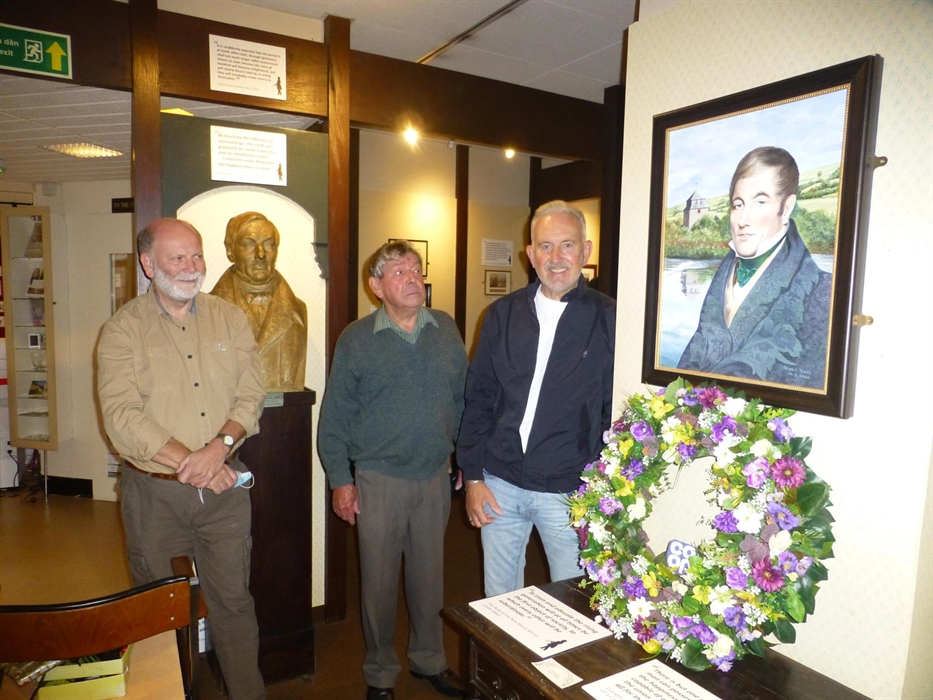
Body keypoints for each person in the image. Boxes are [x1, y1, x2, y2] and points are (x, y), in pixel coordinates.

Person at [97, 218, 266, 700]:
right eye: (178, 258)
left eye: (197, 256)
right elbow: (121, 417)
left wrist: (220, 449)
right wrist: (193, 463)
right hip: (153, 496)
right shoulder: (122, 330)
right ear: (149, 265)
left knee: (234, 604)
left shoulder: (229, 318)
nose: (192, 268)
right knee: (156, 611)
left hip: (223, 493)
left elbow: (252, 393)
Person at [318, 241, 468, 700]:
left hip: (433, 476)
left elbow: (463, 400)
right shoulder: (357, 338)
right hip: (378, 480)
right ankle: (380, 672)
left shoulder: (445, 328)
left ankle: (429, 661)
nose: (412, 278)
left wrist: (466, 459)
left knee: (429, 580)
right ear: (376, 286)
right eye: (399, 271)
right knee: (378, 586)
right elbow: (335, 417)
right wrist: (341, 481)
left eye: (416, 269)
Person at [458, 200, 616, 597]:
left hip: (568, 490)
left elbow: (614, 410)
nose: (556, 257)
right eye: (545, 246)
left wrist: (603, 487)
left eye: (567, 245)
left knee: (572, 603)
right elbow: (478, 399)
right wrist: (473, 476)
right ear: (530, 254)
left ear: (586, 250)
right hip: (499, 483)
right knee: (500, 602)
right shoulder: (501, 315)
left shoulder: (610, 319)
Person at [677, 147, 832, 388]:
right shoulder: (723, 275)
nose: (742, 220)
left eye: (760, 202)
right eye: (738, 204)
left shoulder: (821, 289)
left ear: (786, 208)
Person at [211, 211, 308, 392]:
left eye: (269, 245)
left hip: (286, 413)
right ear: (230, 251)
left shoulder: (299, 311)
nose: (260, 254)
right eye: (248, 244)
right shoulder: (207, 311)